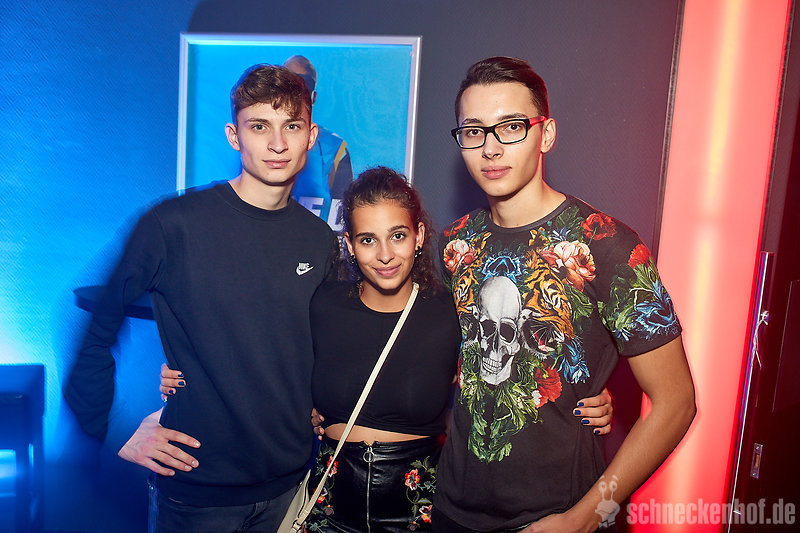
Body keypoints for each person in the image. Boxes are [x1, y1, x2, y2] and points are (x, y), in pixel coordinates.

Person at [160, 168, 614, 532]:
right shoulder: (322, 305)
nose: (384, 254)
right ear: (349, 245)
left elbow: (505, 364)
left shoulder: (452, 311)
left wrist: (591, 394)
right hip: (327, 506)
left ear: (419, 236)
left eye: (397, 235)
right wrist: (172, 391)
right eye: (367, 239)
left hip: (417, 510)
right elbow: (257, 355)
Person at [63, 63, 338, 532]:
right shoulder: (174, 224)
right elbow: (95, 326)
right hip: (197, 493)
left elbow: (316, 344)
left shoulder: (319, 240)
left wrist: (319, 401)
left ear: (310, 136)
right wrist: (113, 428)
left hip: (292, 488)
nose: (277, 144)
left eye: (291, 126)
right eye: (259, 127)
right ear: (234, 136)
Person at [432, 56, 697, 532]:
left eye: (511, 126)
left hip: (555, 517)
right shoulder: (454, 244)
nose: (490, 147)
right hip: (453, 512)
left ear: (546, 134)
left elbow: (676, 402)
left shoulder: (606, 245)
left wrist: (584, 518)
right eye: (474, 131)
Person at [284, 54, 354, 230]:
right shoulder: (260, 141)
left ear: (313, 96)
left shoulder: (334, 148)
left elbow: (343, 218)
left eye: (304, 84)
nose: (296, 92)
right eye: (288, 82)